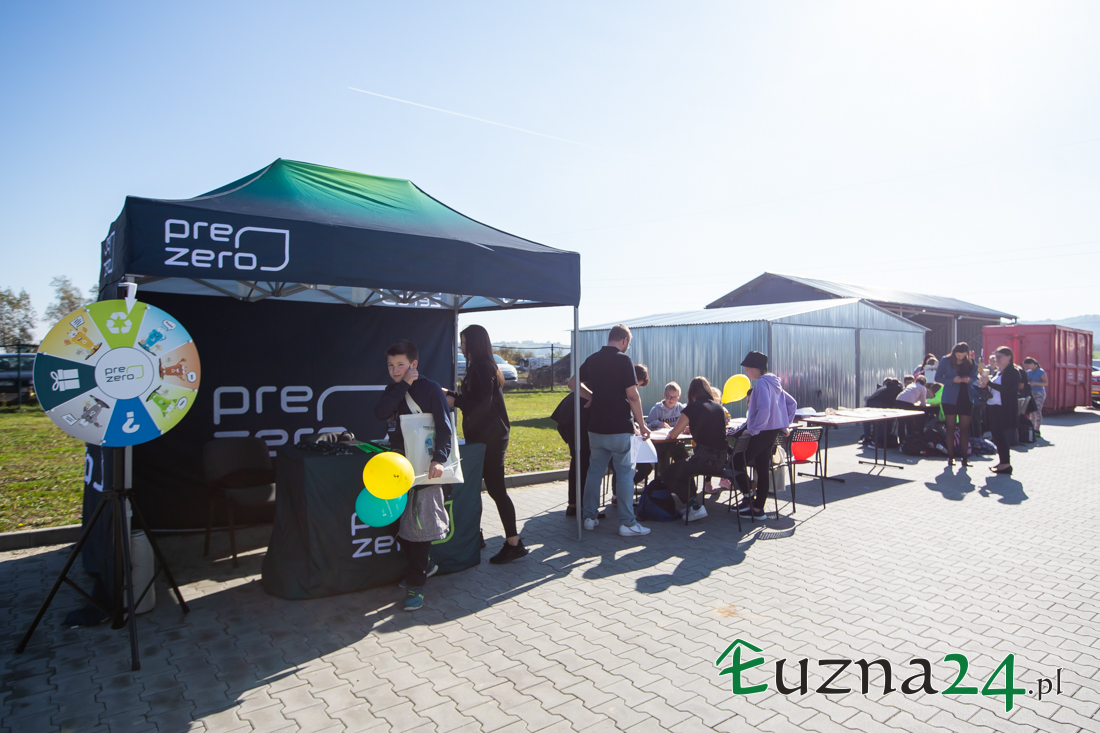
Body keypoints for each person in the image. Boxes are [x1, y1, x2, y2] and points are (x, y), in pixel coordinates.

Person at [373, 340, 451, 611]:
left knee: (418, 528)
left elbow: (445, 426)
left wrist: (439, 459)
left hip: (423, 467)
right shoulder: (393, 389)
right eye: (390, 365)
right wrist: (403, 385)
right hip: (396, 467)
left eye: (400, 365)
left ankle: (416, 586)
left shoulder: (430, 388)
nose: (395, 370)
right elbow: (380, 413)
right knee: (394, 521)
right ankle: (425, 566)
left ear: (413, 364)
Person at [449, 325, 525, 565]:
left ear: (474, 343)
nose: (462, 347)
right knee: (476, 488)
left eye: (464, 342)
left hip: (491, 438)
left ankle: (513, 543)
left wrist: (455, 401)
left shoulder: (482, 368)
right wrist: (453, 395)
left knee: (496, 489)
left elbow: (481, 405)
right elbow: (476, 399)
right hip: (484, 437)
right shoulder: (482, 367)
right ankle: (476, 534)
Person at [569, 324, 652, 537]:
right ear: (624, 340)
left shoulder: (593, 359)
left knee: (594, 471)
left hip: (596, 427)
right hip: (619, 427)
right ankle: (627, 523)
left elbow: (572, 383)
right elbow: (633, 395)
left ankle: (589, 518)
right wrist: (642, 425)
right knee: (625, 473)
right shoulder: (624, 360)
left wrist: (591, 397)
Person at [735, 351, 797, 520]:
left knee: (737, 462)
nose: (746, 372)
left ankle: (749, 498)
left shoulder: (762, 383)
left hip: (762, 432)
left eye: (747, 369)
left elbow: (765, 409)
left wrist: (754, 429)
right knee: (762, 468)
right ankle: (758, 508)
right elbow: (792, 404)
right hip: (772, 432)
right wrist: (784, 424)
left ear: (756, 368)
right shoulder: (774, 382)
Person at [663, 377, 730, 521]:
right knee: (683, 469)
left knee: (668, 473)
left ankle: (694, 506)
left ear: (691, 393)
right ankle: (692, 505)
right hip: (721, 461)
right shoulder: (718, 407)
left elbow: (673, 434)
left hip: (704, 461)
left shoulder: (692, 408)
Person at [935, 342, 978, 468]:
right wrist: (952, 380)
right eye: (958, 355)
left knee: (964, 428)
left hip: (966, 397)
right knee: (950, 427)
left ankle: (965, 458)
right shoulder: (946, 360)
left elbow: (975, 377)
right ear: (954, 352)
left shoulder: (971, 362)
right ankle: (951, 457)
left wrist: (969, 380)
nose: (960, 357)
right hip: (950, 398)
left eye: (963, 355)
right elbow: (938, 377)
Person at [979, 346, 1020, 474]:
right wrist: (985, 386)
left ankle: (1006, 464)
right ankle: (1002, 462)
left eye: (1000, 357)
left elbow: (1007, 390)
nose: (997, 359)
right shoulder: (999, 372)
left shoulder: (1013, 372)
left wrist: (989, 383)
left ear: (1009, 357)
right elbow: (993, 389)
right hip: (993, 406)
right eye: (996, 357)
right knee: (996, 436)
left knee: (1000, 436)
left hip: (1003, 408)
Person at [861, 378, 904, 447]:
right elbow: (898, 401)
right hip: (880, 404)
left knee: (867, 420)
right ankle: (876, 441)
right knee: (886, 423)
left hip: (870, 402)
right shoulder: (898, 389)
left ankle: (867, 437)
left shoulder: (884, 388)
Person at [894, 375, 928, 441]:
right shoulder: (922, 388)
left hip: (899, 400)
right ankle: (910, 438)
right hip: (908, 403)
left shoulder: (911, 385)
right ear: (924, 383)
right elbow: (923, 403)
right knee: (909, 421)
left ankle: (901, 439)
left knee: (901, 421)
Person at [1022, 357, 1048, 435]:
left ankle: (1037, 428)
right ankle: (1032, 428)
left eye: (1028, 365)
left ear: (1033, 364)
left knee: (1037, 411)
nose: (1027, 367)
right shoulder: (1028, 372)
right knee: (1031, 411)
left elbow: (1046, 383)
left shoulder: (1041, 372)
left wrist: (1035, 383)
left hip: (1039, 393)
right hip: (1031, 393)